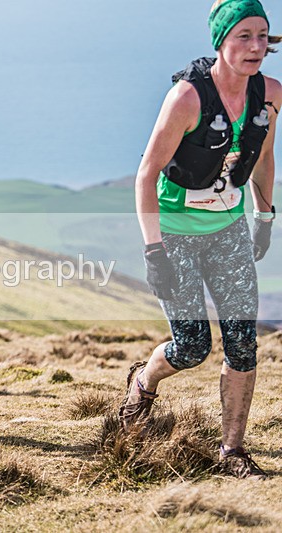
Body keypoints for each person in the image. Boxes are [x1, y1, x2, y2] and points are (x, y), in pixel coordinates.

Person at [124, 0, 281, 480]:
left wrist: (265, 214)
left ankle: (231, 451)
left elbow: (265, 154)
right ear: (221, 42)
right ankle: (144, 380)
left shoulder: (271, 93)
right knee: (192, 347)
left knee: (242, 344)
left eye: (264, 36)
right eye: (243, 37)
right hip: (174, 231)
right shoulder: (188, 98)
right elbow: (146, 176)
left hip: (228, 229)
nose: (256, 47)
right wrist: (154, 251)